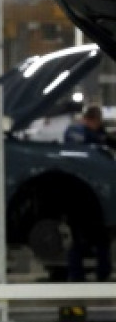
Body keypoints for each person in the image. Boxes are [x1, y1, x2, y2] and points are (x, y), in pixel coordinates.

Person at [63, 105, 113, 280]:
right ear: (91, 119)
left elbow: (106, 141)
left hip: (91, 196)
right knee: (81, 239)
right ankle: (78, 276)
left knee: (96, 239)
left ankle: (99, 275)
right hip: (78, 194)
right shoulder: (76, 132)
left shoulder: (97, 134)